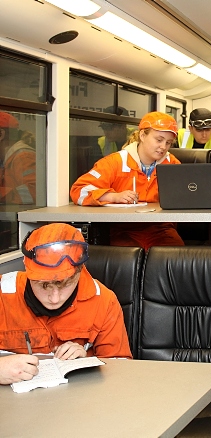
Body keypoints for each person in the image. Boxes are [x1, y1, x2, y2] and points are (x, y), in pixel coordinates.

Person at [0, 223, 132, 385]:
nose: (55, 299)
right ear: (26, 267)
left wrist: (87, 362)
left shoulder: (104, 301)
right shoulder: (2, 292)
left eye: (66, 285)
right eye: (43, 285)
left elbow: (122, 371)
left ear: (80, 269)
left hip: (79, 405)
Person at [70, 111, 184, 250]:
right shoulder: (114, 162)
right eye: (159, 140)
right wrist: (113, 196)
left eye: (168, 143)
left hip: (161, 229)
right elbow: (79, 191)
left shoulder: (172, 164)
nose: (163, 147)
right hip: (122, 229)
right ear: (142, 135)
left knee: (176, 259)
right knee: (126, 261)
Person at [0, 111, 36, 205]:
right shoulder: (7, 158)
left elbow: (34, 193)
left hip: (23, 217)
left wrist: (4, 195)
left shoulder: (24, 157)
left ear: (1, 134)